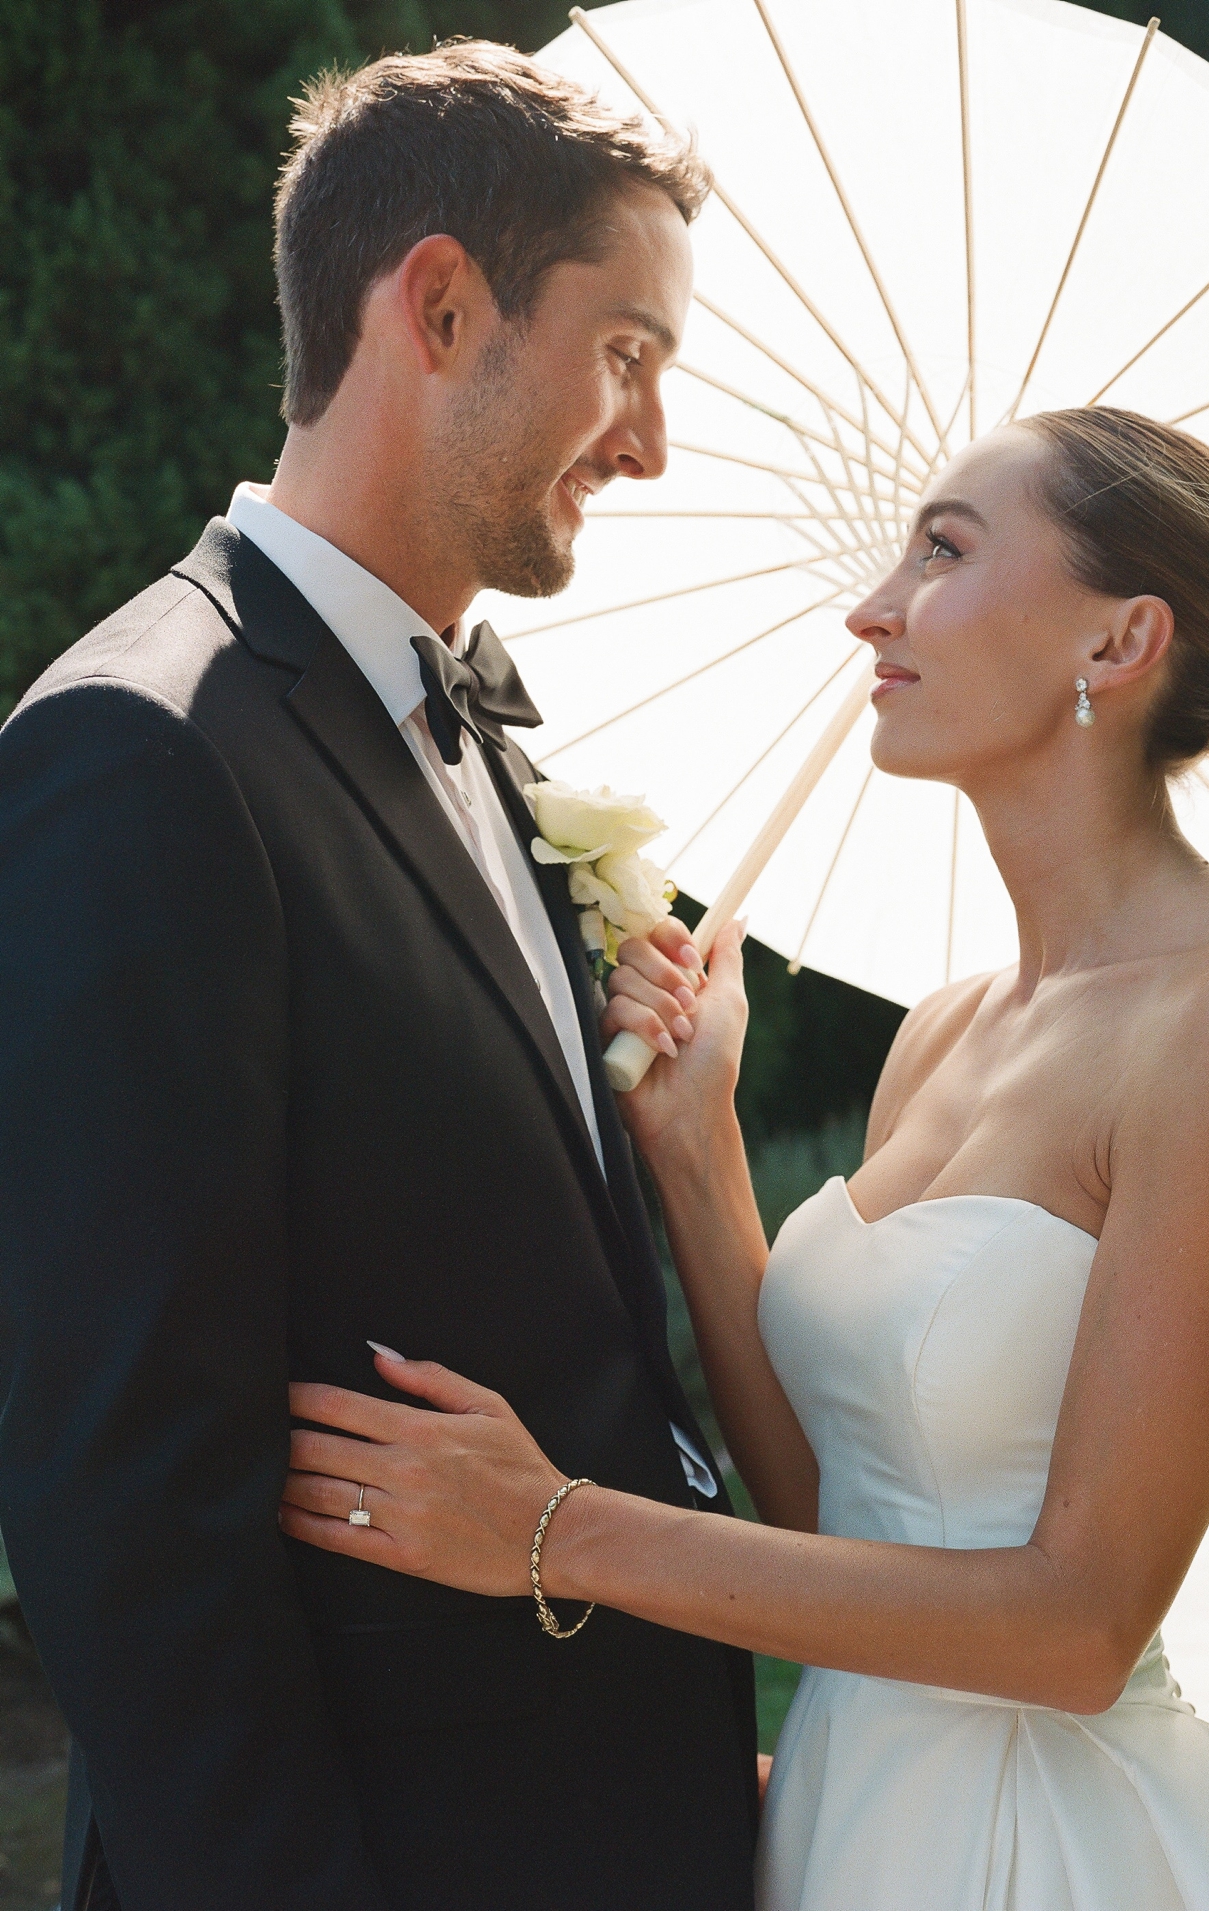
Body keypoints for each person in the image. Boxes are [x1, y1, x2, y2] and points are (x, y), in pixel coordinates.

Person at [281, 407, 1209, 1910]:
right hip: (850, 1821)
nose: (871, 606)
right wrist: (698, 1152)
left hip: (1037, 1852)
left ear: (1119, 643)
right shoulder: (944, 1028)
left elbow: (1078, 1630)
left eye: (943, 551)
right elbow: (837, 1520)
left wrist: (553, 1530)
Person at [0, 42, 759, 1911]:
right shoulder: (143, 755)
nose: (649, 441)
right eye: (628, 353)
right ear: (436, 303)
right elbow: (125, 1510)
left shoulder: (471, 721)